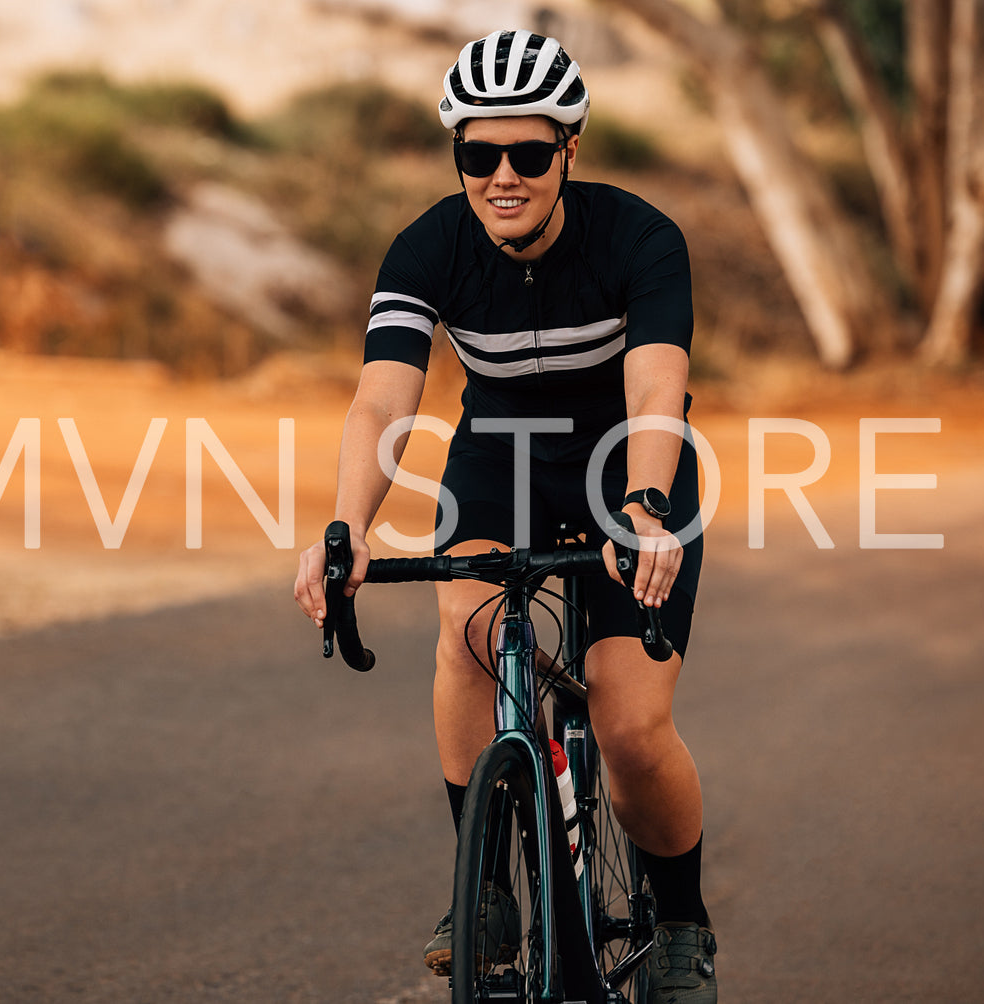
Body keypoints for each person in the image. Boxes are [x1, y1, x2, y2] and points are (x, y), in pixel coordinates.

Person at [293, 29, 716, 1003]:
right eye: (477, 155)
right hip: (501, 458)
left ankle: (682, 926)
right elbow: (382, 401)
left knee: (630, 726)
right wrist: (348, 523)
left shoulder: (638, 237)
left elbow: (657, 388)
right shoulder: (426, 246)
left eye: (527, 154)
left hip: (626, 462)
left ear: (568, 150)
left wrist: (647, 506)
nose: (502, 177)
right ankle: (483, 888)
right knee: (465, 627)